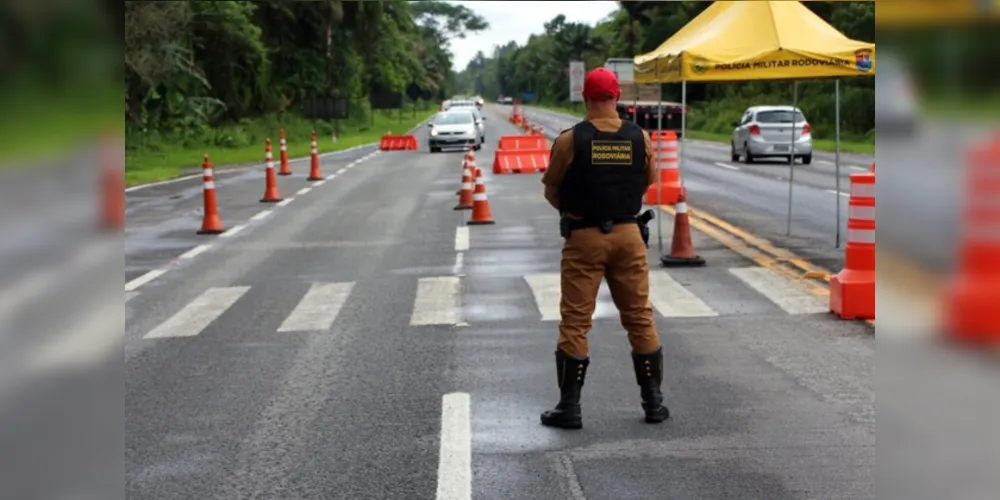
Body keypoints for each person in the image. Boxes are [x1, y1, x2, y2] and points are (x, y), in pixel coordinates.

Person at [538, 67, 670, 429]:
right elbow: (647, 182)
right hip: (629, 235)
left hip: (583, 237)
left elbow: (551, 189)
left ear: (585, 97)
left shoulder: (570, 140)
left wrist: (576, 213)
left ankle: (570, 407)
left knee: (576, 321)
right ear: (617, 97)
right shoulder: (639, 137)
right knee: (640, 316)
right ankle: (654, 403)